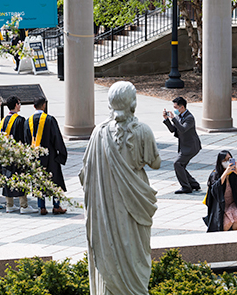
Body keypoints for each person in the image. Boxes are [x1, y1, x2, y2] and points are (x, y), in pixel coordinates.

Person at [80, 81, 161, 295]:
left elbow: (85, 173)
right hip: (134, 202)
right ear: (133, 103)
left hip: (107, 204)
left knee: (111, 248)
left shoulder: (99, 132)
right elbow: (155, 162)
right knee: (134, 251)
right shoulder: (143, 130)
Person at [25, 96, 68, 215]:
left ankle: (42, 207)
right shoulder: (49, 119)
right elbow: (57, 138)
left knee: (40, 180)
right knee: (55, 181)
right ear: (43, 105)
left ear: (34, 106)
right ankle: (56, 206)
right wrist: (61, 154)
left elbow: (26, 140)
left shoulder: (27, 121)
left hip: (36, 156)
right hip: (51, 157)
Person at [0, 95, 38, 214]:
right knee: (20, 176)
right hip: (17, 154)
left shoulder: (3, 120)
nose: (20, 106)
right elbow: (24, 138)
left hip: (5, 154)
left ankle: (9, 204)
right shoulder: (20, 120)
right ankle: (23, 205)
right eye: (19, 103)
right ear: (16, 105)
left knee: (7, 177)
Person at [162, 96, 202, 194]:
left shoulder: (189, 118)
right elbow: (173, 130)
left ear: (182, 107)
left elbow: (183, 129)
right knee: (181, 165)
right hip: (184, 146)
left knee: (177, 164)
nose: (174, 110)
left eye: (176, 107)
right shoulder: (179, 116)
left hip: (191, 147)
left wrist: (173, 119)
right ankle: (193, 184)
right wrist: (167, 119)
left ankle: (186, 187)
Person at [204, 151, 237, 232]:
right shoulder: (215, 174)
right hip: (220, 205)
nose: (228, 162)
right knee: (225, 225)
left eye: (230, 159)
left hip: (233, 204)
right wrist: (225, 173)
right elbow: (214, 189)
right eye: (225, 160)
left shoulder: (234, 173)